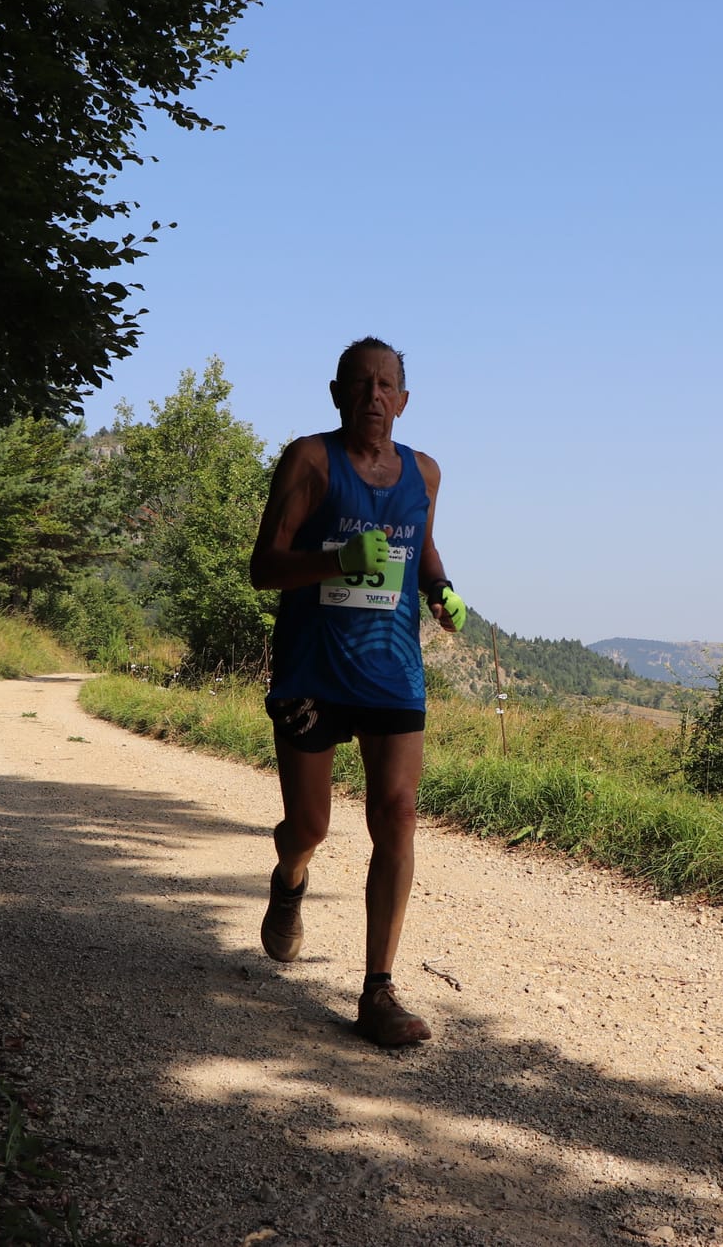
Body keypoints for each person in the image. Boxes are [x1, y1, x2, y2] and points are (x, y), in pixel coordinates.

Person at [248, 337, 467, 1047]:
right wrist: (336, 559)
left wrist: (440, 588)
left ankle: (377, 988)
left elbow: (420, 542)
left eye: (386, 384)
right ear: (337, 393)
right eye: (360, 383)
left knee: (397, 813)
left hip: (391, 667)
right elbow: (263, 567)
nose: (374, 395)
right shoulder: (311, 461)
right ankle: (291, 872)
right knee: (308, 824)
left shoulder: (425, 473)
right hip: (314, 668)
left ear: (403, 400)